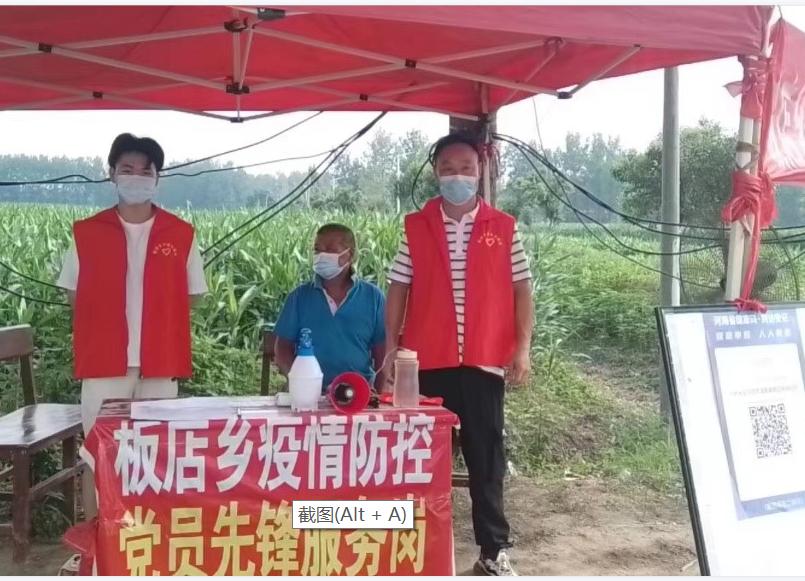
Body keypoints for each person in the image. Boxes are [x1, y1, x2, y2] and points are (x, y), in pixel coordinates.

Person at [385, 133, 534, 576]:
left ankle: (493, 551)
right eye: (448, 168)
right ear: (435, 172)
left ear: (481, 171)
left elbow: (522, 290)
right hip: (426, 362)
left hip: (484, 360)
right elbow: (398, 288)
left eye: (466, 168)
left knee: (486, 458)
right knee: (421, 459)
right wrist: (391, 347)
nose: (457, 176)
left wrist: (522, 349)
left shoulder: (503, 227)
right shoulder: (416, 227)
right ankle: (416, 549)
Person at [57, 133, 208, 518]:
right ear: (112, 174)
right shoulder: (86, 232)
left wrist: (155, 321)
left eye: (145, 170)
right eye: (127, 169)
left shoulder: (181, 234)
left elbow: (192, 296)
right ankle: (98, 536)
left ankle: (147, 538)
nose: (136, 177)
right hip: (103, 364)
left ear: (158, 178)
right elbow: (74, 294)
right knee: (98, 454)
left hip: (161, 363)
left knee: (155, 456)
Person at [274, 223, 387, 392]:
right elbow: (282, 349)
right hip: (308, 393)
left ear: (350, 255)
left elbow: (382, 354)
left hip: (358, 394)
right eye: (317, 250)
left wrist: (378, 394)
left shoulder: (373, 297)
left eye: (330, 250)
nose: (322, 256)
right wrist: (300, 380)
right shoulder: (299, 297)